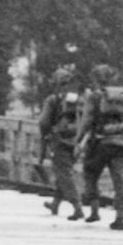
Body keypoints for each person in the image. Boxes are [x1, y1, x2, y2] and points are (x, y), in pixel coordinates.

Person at [79, 64, 123, 230]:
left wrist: (79, 139)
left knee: (90, 174)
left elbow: (87, 120)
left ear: (95, 79)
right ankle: (120, 217)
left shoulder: (94, 97)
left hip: (100, 143)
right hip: (120, 144)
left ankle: (95, 211)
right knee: (119, 181)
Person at [37, 68, 84, 221]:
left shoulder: (53, 100)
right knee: (63, 171)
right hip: (76, 142)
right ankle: (55, 204)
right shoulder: (80, 99)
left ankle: (77, 207)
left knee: (64, 174)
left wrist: (46, 134)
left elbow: (43, 121)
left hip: (59, 141)